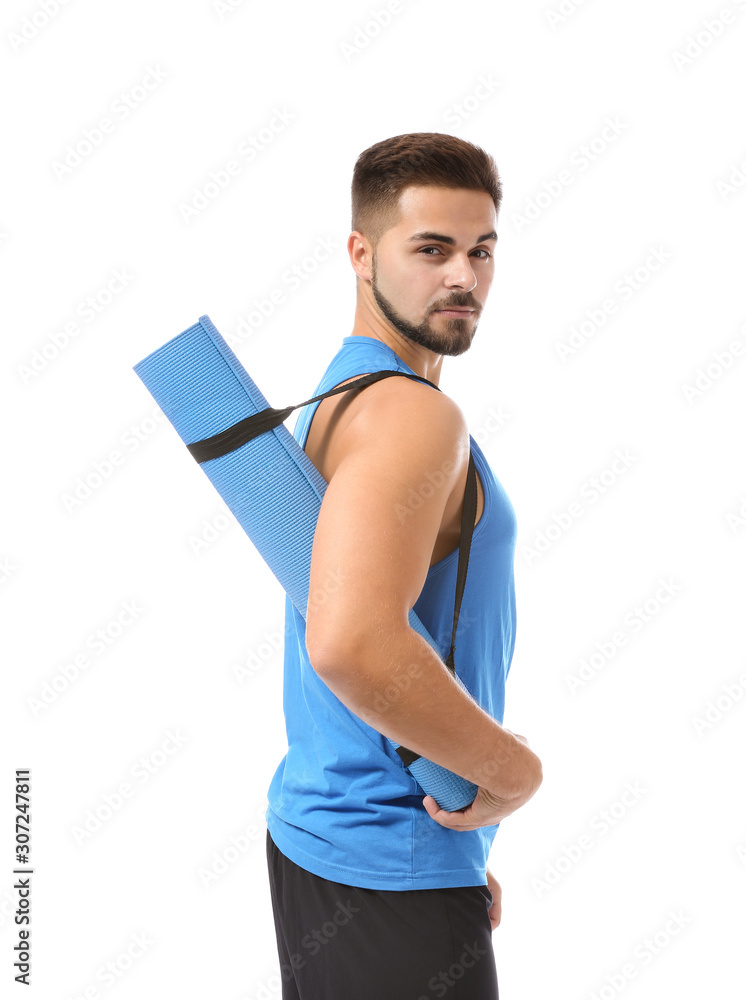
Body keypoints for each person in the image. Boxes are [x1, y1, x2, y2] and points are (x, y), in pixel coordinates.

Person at [264, 132, 543, 1000]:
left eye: (481, 250)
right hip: (387, 857)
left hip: (342, 844)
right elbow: (351, 643)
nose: (463, 276)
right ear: (360, 252)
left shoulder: (342, 392)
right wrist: (508, 772)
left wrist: (455, 858)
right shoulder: (413, 418)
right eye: (431, 249)